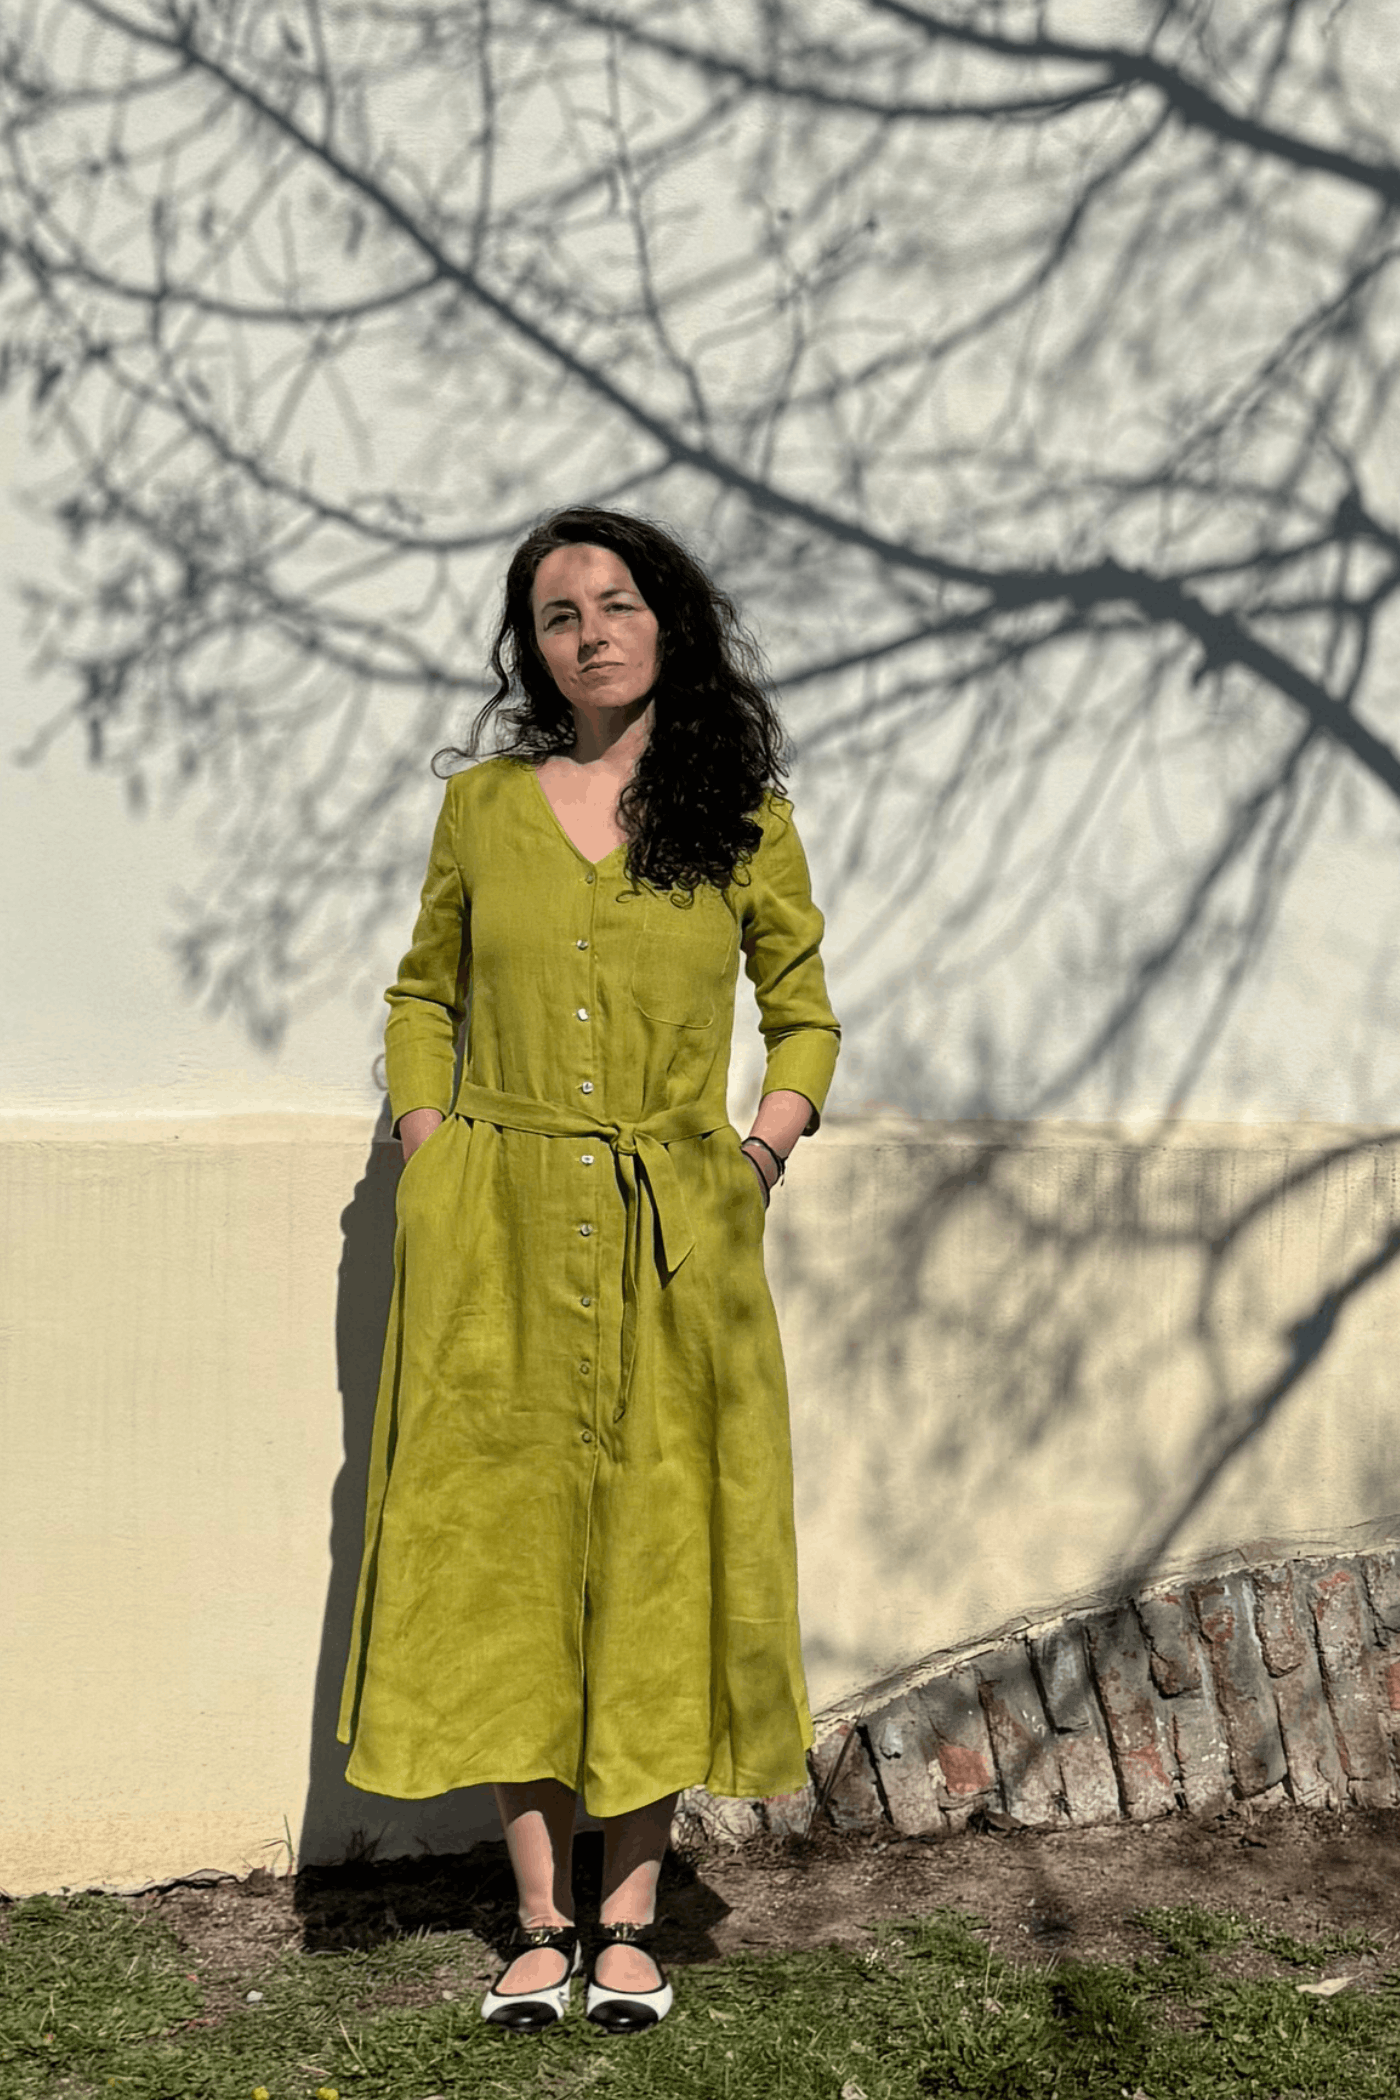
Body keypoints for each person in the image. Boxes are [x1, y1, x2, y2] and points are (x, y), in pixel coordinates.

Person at [337, 506, 841, 2035]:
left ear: (666, 623)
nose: (591, 633)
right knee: (509, 1555)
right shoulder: (483, 809)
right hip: (496, 1234)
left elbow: (804, 1012)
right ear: (534, 650)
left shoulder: (738, 815)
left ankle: (631, 1916)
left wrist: (756, 1155)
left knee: (660, 1552)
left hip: (676, 1240)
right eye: (559, 615)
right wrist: (429, 1145)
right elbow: (422, 993)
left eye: (617, 603)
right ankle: (540, 1919)